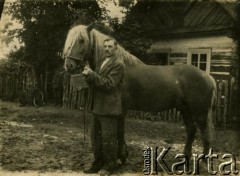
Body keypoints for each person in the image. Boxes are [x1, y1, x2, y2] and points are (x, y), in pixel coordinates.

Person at [82, 38, 125, 175]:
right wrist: (88, 76)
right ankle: (98, 162)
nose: (107, 49)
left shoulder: (118, 64)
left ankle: (109, 165)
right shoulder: (102, 62)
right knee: (96, 138)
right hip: (97, 106)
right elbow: (96, 82)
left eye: (110, 46)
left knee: (108, 138)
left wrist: (92, 75)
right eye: (105, 46)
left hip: (109, 108)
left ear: (116, 48)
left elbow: (109, 84)